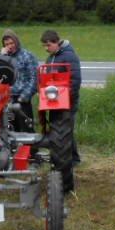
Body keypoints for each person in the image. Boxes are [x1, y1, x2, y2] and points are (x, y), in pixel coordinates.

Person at [40, 30, 82, 164]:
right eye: (44, 46)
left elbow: (75, 80)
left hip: (67, 101)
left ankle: (73, 159)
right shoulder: (51, 57)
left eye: (48, 45)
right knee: (57, 129)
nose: (46, 49)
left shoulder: (69, 56)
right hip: (53, 100)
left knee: (66, 129)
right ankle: (61, 156)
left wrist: (67, 98)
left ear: (56, 42)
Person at [0, 29, 39, 133]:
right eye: (7, 44)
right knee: (10, 129)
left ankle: (32, 149)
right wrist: (3, 56)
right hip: (7, 100)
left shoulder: (27, 56)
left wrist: (24, 97)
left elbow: (34, 78)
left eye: (12, 43)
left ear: (16, 42)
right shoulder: (2, 58)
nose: (10, 46)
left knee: (26, 128)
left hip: (22, 100)